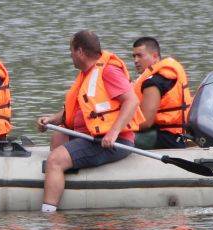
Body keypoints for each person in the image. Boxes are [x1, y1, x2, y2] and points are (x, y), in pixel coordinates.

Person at [35, 31, 143, 212]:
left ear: (80, 51)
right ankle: (65, 180)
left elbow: (132, 101)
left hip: (112, 141)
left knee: (54, 160)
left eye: (71, 51)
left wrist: (114, 132)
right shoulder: (88, 74)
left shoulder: (108, 71)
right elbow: (81, 110)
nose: (70, 55)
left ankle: (49, 218)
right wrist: (52, 119)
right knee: (58, 135)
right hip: (91, 136)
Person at [130, 36, 193, 150]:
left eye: (140, 56)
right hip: (179, 135)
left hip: (167, 138)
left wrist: (116, 128)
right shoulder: (166, 75)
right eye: (134, 56)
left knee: (120, 139)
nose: (136, 60)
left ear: (154, 56)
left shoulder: (153, 83)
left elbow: (145, 123)